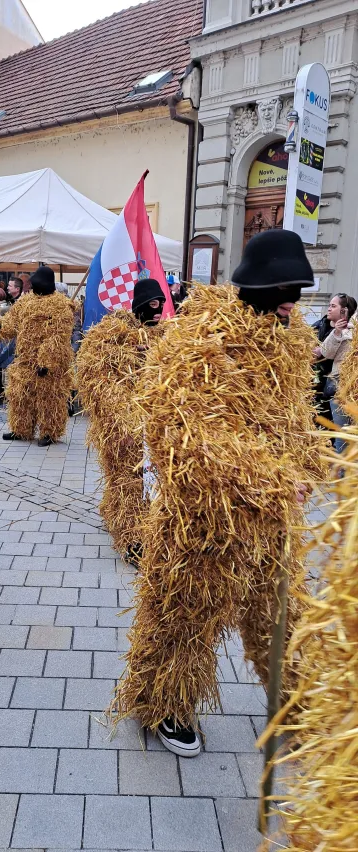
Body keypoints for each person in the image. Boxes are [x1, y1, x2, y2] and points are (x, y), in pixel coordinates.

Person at [113, 230, 323, 757]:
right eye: (282, 294)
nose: (291, 307)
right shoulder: (200, 341)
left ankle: (293, 704)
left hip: (273, 525)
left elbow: (294, 421)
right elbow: (188, 434)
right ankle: (165, 704)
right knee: (185, 619)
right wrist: (270, 477)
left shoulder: (290, 345)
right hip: (205, 522)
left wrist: (310, 462)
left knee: (281, 616)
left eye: (296, 295)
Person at [77, 278, 167, 561]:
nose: (159, 310)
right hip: (123, 426)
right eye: (154, 303)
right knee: (128, 481)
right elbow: (98, 381)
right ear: (140, 304)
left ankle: (115, 512)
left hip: (155, 427)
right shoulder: (112, 336)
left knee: (148, 482)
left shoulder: (166, 338)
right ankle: (130, 538)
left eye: (162, 303)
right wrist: (122, 422)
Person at [0, 265, 74, 446]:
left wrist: (47, 361)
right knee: (21, 396)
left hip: (49, 365)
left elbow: (58, 337)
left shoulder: (61, 305)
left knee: (49, 399)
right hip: (25, 360)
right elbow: (11, 323)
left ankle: (49, 432)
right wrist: (0, 327)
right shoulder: (25, 302)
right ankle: (21, 429)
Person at [314, 293, 357, 453]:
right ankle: (342, 474)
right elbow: (326, 352)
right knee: (343, 436)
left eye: (333, 305)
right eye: (329, 305)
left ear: (345, 310)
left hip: (350, 385)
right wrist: (338, 332)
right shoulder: (333, 330)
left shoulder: (354, 330)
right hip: (338, 388)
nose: (329, 308)